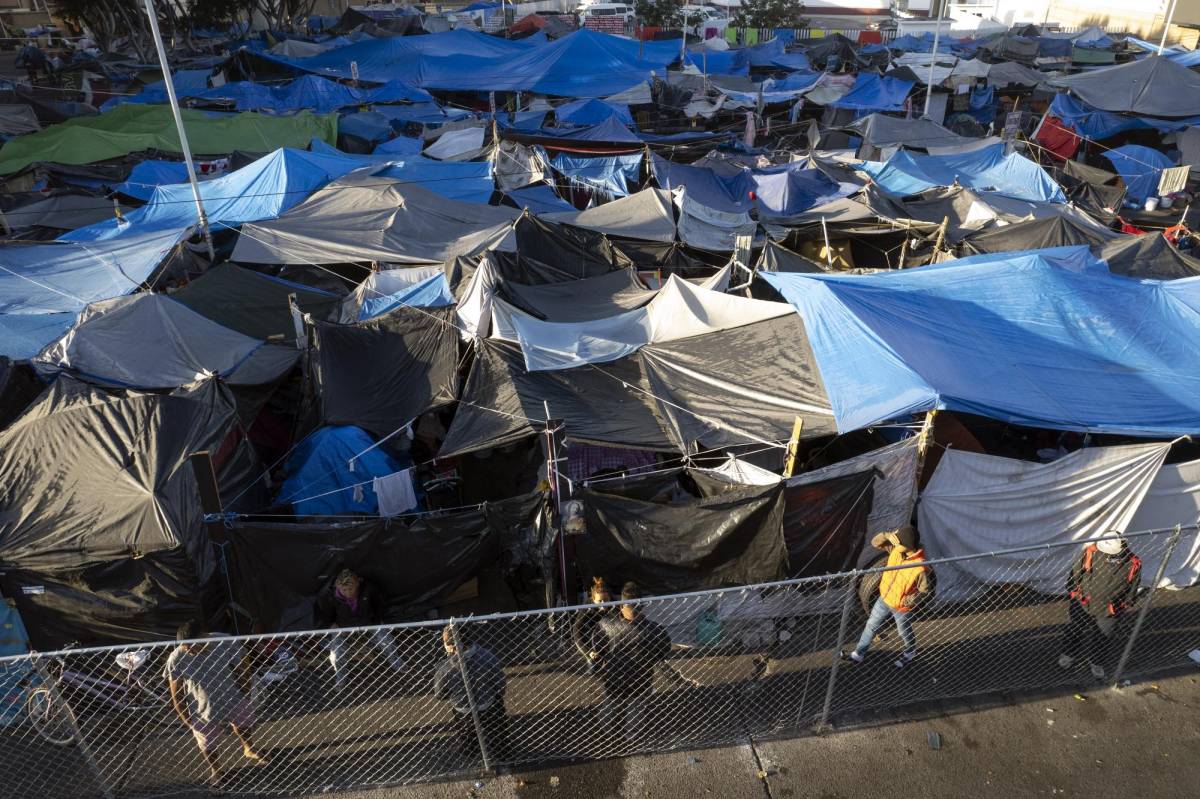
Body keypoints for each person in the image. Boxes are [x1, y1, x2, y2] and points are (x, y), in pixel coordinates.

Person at [165, 621, 266, 790]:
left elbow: (243, 663)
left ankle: (248, 748)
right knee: (207, 743)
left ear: (205, 636)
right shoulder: (176, 658)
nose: (188, 651)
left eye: (192, 646)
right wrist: (185, 717)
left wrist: (246, 691)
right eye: (185, 647)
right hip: (201, 707)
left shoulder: (223, 641)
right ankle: (216, 770)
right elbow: (176, 693)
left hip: (231, 695)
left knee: (244, 724)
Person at [591, 581, 692, 745]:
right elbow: (662, 654)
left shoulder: (605, 625)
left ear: (620, 604)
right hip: (641, 682)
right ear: (643, 605)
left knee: (610, 704)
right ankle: (632, 734)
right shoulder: (654, 630)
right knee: (636, 710)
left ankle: (607, 729)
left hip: (613, 679)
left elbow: (598, 650)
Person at [842, 526, 932, 669]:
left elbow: (924, 591)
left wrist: (907, 601)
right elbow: (875, 542)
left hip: (901, 607)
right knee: (871, 625)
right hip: (884, 598)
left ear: (907, 544)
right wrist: (889, 535)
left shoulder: (919, 567)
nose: (896, 544)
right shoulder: (896, 550)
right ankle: (858, 654)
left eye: (899, 541)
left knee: (904, 631)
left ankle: (910, 651)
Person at [1058, 536, 1142, 680]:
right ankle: (1068, 653)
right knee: (1075, 628)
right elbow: (1076, 572)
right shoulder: (1090, 552)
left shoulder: (1133, 563)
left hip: (1110, 608)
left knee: (1103, 636)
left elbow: (1133, 585)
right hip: (1084, 601)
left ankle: (1096, 662)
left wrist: (1127, 602)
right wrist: (1073, 592)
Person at [315, 568, 405, 689]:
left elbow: (379, 606)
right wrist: (333, 626)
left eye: (351, 589)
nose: (348, 592)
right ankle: (341, 676)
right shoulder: (331, 596)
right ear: (338, 587)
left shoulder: (369, 589)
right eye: (344, 590)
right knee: (338, 654)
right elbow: (326, 616)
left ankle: (397, 663)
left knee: (386, 640)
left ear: (357, 584)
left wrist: (376, 622)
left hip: (368, 624)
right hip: (343, 628)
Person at [432, 624, 508, 761]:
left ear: (451, 646)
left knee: (466, 732)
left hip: (463, 710)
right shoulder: (487, 655)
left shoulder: (445, 667)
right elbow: (500, 682)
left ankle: (470, 750)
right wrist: (497, 693)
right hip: (488, 704)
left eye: (444, 642)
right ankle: (501, 749)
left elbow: (439, 694)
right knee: (497, 727)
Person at [571, 577, 612, 666]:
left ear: (609, 597)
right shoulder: (587, 606)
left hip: (608, 635)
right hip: (591, 637)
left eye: (606, 600)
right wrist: (587, 651)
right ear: (593, 600)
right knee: (593, 666)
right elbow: (576, 629)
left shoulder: (614, 604)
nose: (603, 604)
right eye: (599, 601)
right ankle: (591, 659)